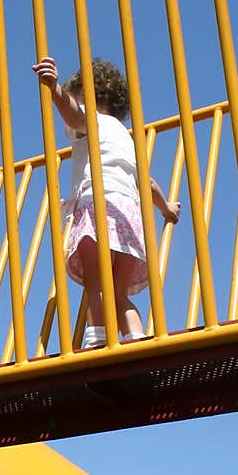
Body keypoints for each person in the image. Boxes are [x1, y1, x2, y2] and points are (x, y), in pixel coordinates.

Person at [33, 54, 181, 349]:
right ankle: (138, 339)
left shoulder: (92, 120)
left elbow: (75, 116)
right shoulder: (125, 137)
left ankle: (97, 341)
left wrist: (55, 90)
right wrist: (166, 208)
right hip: (130, 217)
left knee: (96, 284)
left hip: (98, 207)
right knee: (119, 293)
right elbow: (147, 183)